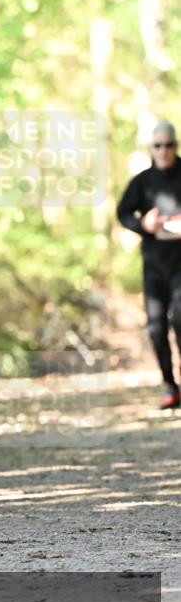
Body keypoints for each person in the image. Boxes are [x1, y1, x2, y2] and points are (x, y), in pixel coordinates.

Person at [117, 121, 181, 410]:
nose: (164, 151)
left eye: (169, 145)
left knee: (180, 320)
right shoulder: (142, 182)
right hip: (154, 264)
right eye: (158, 145)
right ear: (151, 148)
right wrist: (143, 224)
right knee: (156, 328)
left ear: (175, 146)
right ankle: (170, 385)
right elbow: (122, 213)